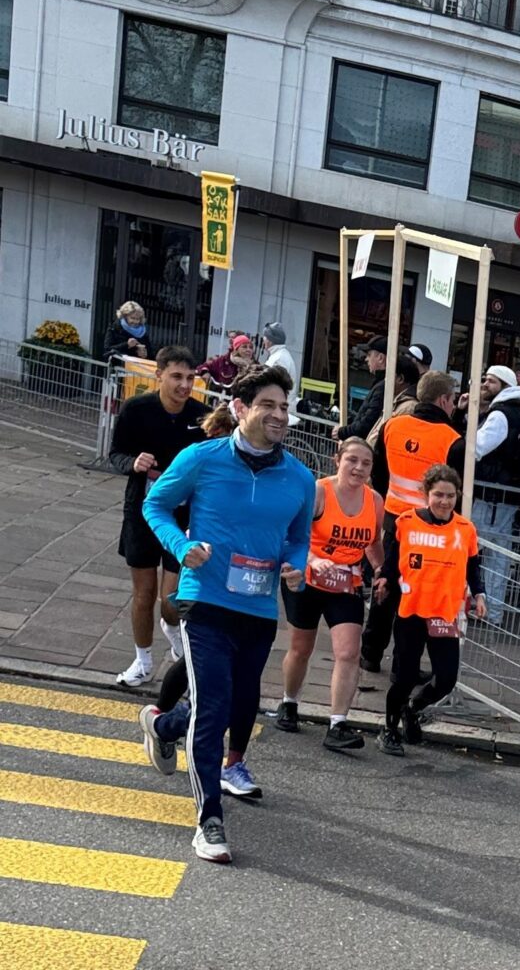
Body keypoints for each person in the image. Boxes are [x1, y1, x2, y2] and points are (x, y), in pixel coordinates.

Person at [141, 366, 315, 863]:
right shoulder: (202, 458)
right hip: (206, 600)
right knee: (214, 709)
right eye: (269, 405)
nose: (280, 414)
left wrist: (295, 566)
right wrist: (182, 545)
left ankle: (163, 726)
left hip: (259, 607)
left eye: (285, 406)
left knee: (230, 702)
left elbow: (300, 537)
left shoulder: (300, 478)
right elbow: (156, 505)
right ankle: (209, 820)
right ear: (240, 408)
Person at [275, 437, 385, 748]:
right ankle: (289, 702)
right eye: (352, 460)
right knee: (301, 648)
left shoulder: (374, 501)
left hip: (346, 584)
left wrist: (381, 570)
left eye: (366, 463)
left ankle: (338, 724)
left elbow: (373, 542)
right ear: (337, 461)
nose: (358, 468)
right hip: (306, 579)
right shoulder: (319, 491)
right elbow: (291, 536)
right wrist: (314, 559)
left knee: (349, 652)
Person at [110, 345, 208, 687]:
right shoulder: (136, 410)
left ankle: (172, 631)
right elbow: (116, 453)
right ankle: (143, 661)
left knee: (171, 602)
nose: (184, 385)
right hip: (141, 512)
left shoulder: (202, 416)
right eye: (177, 377)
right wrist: (133, 463)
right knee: (143, 594)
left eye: (190, 378)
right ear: (159, 375)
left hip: (182, 519)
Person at [374, 465, 486, 756]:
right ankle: (388, 730)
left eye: (450, 496)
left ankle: (413, 708)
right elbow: (393, 558)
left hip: (445, 615)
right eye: (438, 495)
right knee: (405, 677)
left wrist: (480, 594)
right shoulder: (406, 522)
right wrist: (385, 578)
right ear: (427, 494)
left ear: (457, 496)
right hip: (411, 612)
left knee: (446, 679)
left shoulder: (465, 529)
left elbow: (473, 565)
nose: (444, 501)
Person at [361, 371, 465, 672]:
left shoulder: (393, 425)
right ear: (444, 399)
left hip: (393, 519)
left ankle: (370, 652)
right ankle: (405, 663)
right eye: (453, 400)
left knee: (386, 582)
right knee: (418, 594)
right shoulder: (453, 441)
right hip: (427, 526)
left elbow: (379, 473)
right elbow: (453, 492)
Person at [457, 365, 520, 627]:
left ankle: (480, 608)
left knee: (477, 552)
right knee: (497, 556)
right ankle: (492, 611)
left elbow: (477, 448)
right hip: (503, 498)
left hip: (490, 496)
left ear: (503, 385)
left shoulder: (500, 416)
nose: (484, 384)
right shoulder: (514, 414)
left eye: (490, 381)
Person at [332, 335, 387, 442]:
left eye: (369, 355)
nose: (366, 359)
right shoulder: (380, 383)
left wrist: (342, 432)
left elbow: (367, 423)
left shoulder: (383, 387)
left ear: (380, 358)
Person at [366, 354, 420, 448]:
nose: (385, 380)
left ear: (400, 379)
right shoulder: (398, 402)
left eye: (389, 375)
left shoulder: (408, 407)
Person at [261, 322, 298, 417]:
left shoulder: (279, 358)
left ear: (270, 340)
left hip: (279, 412)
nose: (263, 340)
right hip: (278, 410)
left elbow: (273, 385)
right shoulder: (279, 355)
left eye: (264, 337)